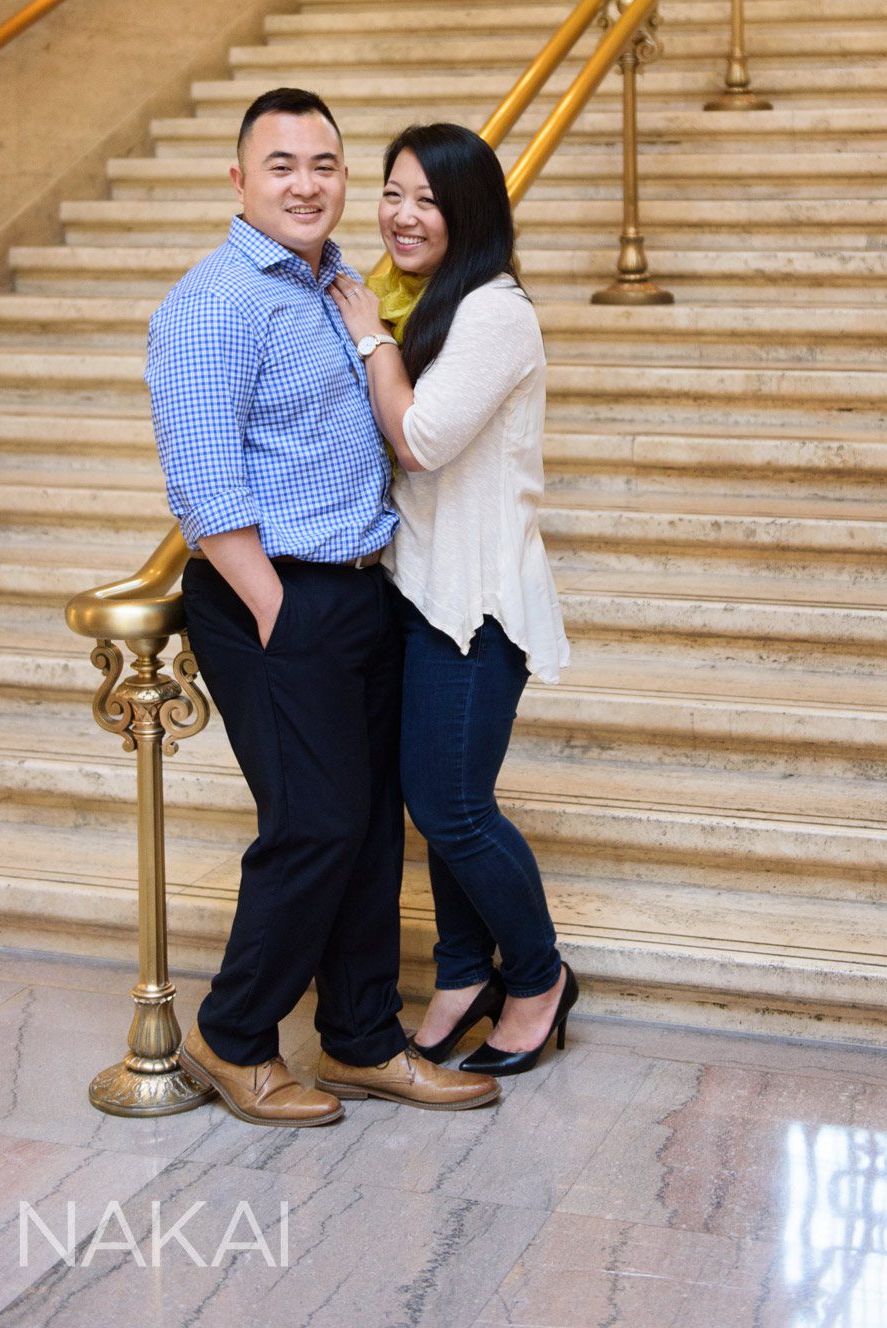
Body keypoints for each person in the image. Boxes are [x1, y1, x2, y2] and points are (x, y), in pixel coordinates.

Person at [144, 87, 499, 1124]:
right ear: (239, 179)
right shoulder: (212, 303)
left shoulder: (338, 282)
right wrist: (275, 608)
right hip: (273, 594)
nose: (308, 183)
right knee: (316, 821)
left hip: (359, 591)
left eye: (326, 164)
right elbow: (206, 487)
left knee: (373, 830)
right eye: (283, 164)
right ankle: (235, 1031)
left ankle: (361, 1036)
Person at [331, 121, 578, 1076]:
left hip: (474, 604)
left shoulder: (495, 311)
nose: (400, 214)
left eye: (427, 200)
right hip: (416, 589)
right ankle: (464, 973)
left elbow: (423, 439)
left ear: (469, 213)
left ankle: (541, 975)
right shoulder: (430, 301)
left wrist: (366, 341)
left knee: (454, 807)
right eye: (392, 192)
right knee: (433, 805)